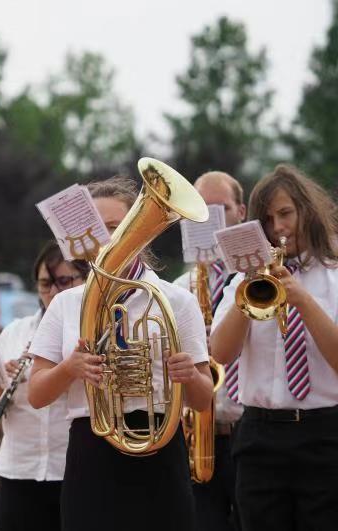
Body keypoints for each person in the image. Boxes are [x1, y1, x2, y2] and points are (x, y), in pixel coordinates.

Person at [27, 176, 213, 531]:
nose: (109, 238)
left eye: (118, 226)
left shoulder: (178, 300)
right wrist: (70, 368)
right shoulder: (66, 303)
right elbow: (36, 395)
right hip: (91, 448)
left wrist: (189, 375)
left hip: (161, 443)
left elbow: (203, 400)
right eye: (98, 228)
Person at [210, 164, 338, 531]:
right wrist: (248, 290)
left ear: (307, 211)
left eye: (286, 214)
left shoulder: (333, 274)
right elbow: (218, 356)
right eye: (267, 220)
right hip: (258, 437)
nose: (278, 228)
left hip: (325, 435)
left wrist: (303, 301)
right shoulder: (242, 280)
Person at [0, 241, 88, 531]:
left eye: (63, 282)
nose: (52, 292)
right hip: (18, 470)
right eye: (44, 284)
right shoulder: (16, 331)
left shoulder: (91, 332)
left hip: (75, 471)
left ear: (85, 279)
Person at [173, 171, 246, 531]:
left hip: (248, 432)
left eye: (223, 208)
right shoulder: (178, 288)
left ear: (242, 213)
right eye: (203, 209)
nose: (213, 218)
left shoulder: (260, 280)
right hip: (197, 438)